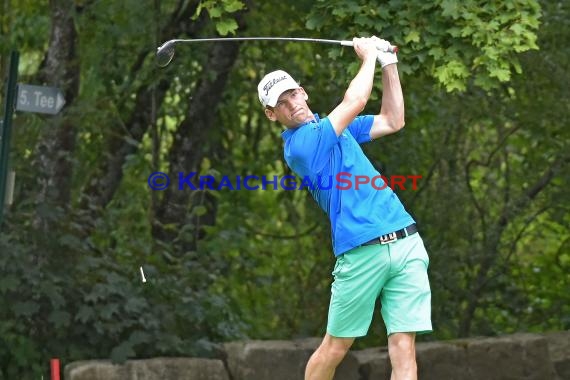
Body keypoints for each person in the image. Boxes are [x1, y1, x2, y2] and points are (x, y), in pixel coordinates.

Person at [257, 36, 432, 380]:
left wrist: (387, 63)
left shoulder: (335, 128)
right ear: (271, 114)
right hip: (360, 251)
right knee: (335, 348)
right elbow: (355, 99)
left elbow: (393, 120)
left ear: (303, 92)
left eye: (293, 93)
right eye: (281, 102)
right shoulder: (302, 147)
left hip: (407, 241)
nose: (292, 104)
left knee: (404, 348)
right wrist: (367, 56)